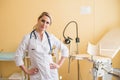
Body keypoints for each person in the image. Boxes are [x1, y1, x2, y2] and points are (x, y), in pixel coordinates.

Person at [14, 12, 69, 80]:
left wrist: (59, 65)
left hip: (51, 74)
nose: (44, 24)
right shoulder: (28, 38)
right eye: (42, 21)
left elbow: (65, 49)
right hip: (37, 74)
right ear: (38, 20)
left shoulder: (51, 37)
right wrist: (26, 71)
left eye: (47, 22)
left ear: (49, 25)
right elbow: (17, 56)